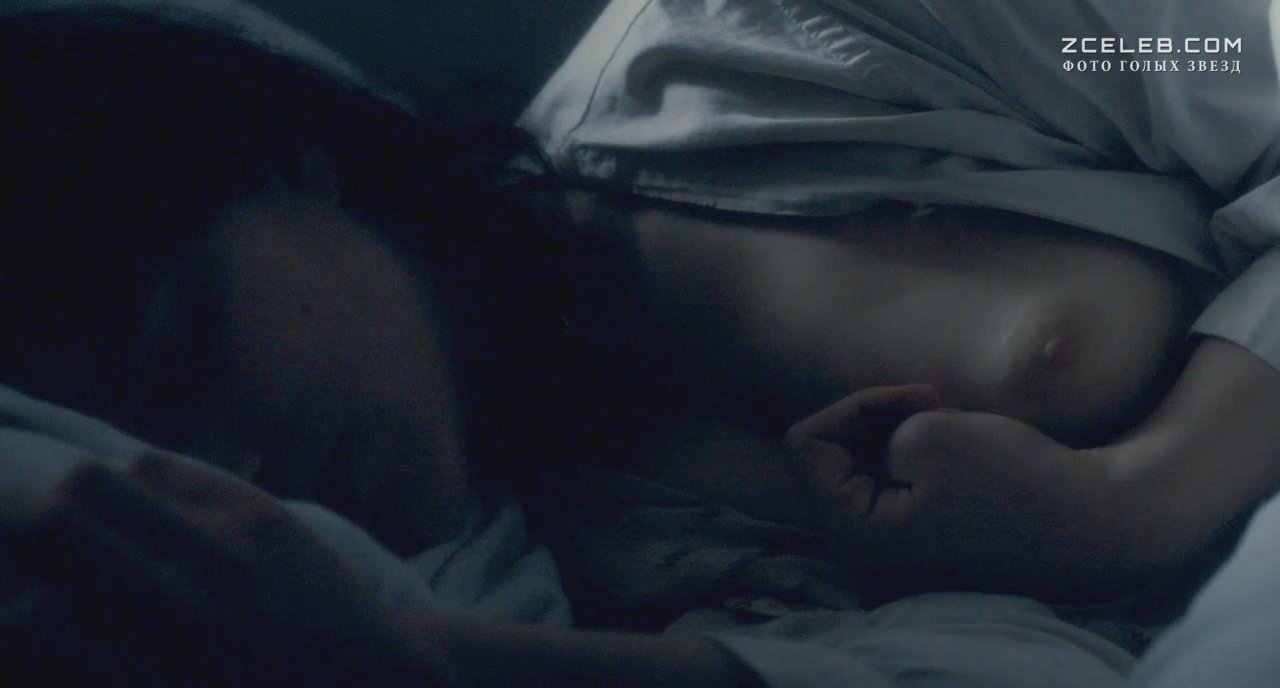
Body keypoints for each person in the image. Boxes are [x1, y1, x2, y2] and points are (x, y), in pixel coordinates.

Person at [4, 0, 1280, 686]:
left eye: (187, 356)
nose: (239, 468)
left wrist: (1134, 498)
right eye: (167, 451)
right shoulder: (571, 558)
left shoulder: (792, 33)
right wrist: (417, 662)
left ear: (292, 167)